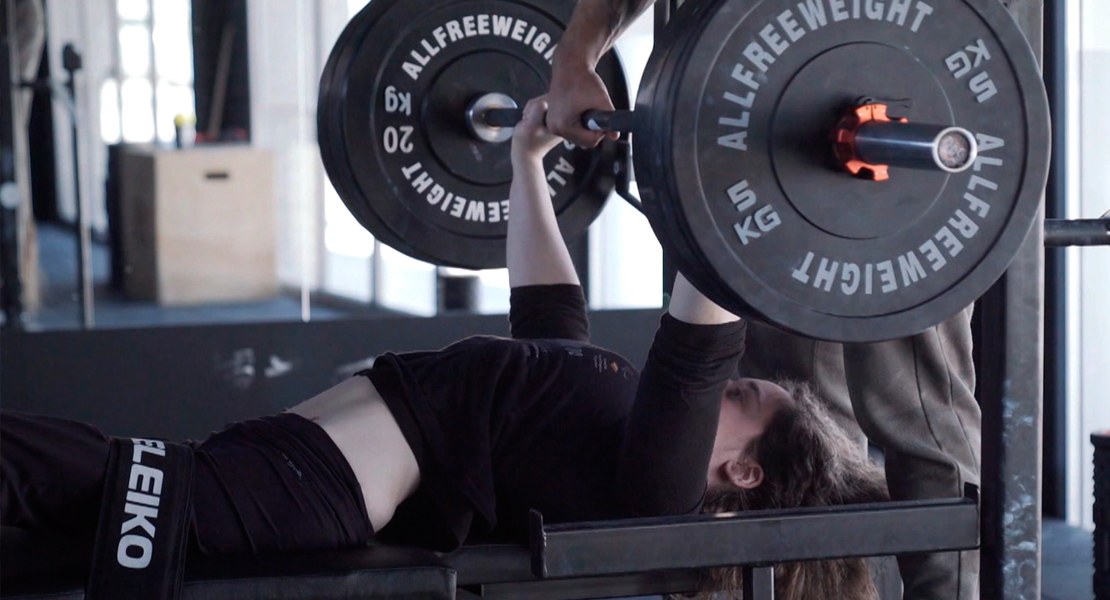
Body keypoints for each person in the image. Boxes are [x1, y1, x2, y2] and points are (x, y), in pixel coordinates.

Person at [1, 99, 886, 599]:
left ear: (743, 472)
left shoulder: (657, 494)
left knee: (36, 468)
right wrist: (526, 166)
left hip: (309, 493)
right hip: (291, 470)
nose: (735, 383)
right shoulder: (609, 426)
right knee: (48, 521)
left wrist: (734, 176)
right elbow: (549, 313)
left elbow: (700, 333)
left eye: (747, 398)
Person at [545, 2, 983, 600]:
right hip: (744, 125)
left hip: (890, 112)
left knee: (916, 418)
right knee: (788, 415)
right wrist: (574, 56)